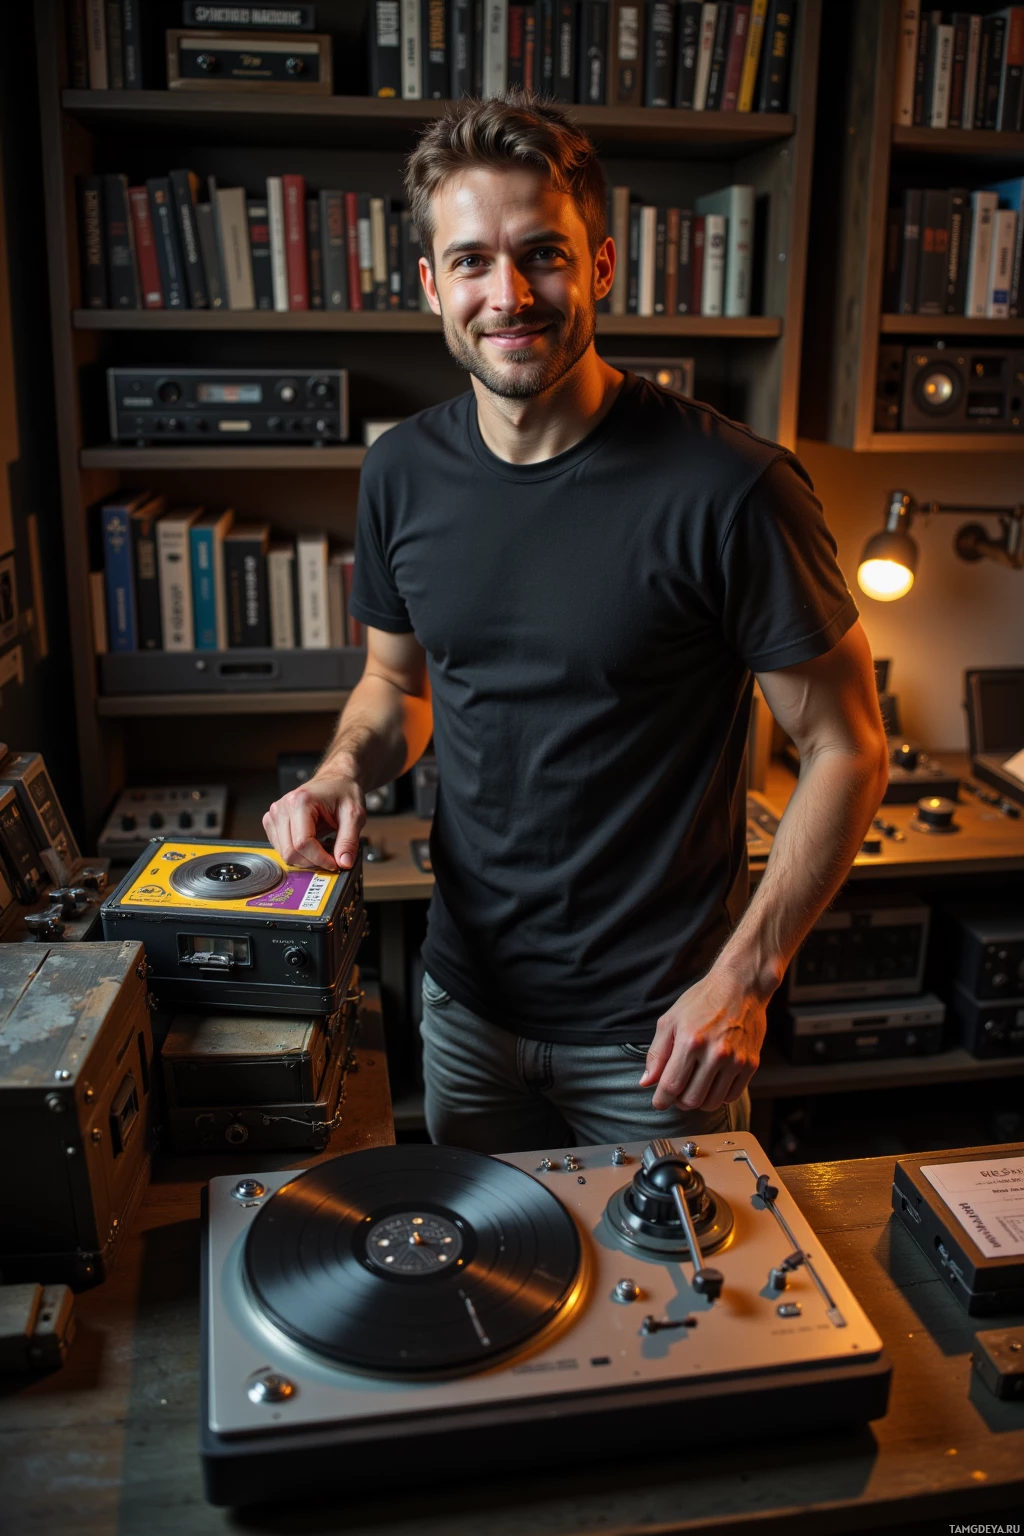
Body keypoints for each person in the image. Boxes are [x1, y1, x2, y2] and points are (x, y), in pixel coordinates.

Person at [262, 90, 888, 1154]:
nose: (507, 295)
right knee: (480, 1304)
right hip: (463, 1012)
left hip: (660, 1037)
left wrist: (744, 978)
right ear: (430, 285)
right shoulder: (400, 471)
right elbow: (398, 687)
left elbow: (847, 746)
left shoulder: (730, 488)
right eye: (470, 262)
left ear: (599, 265)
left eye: (541, 255)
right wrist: (339, 775)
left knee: (686, 1320)